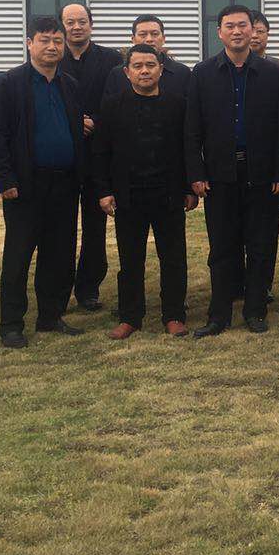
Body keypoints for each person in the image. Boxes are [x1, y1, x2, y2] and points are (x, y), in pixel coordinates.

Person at [185, 5, 279, 338]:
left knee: (261, 246)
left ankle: (255, 311)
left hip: (262, 174)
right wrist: (196, 173)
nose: (237, 31)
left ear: (253, 30)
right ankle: (218, 316)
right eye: (229, 26)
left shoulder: (273, 73)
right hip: (220, 174)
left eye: (243, 25)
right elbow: (192, 129)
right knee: (222, 248)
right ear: (219, 32)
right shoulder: (202, 73)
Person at [0, 15, 88, 348]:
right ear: (30, 43)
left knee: (58, 254)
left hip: (65, 184)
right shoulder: (9, 84)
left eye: (57, 41)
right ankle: (11, 324)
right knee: (18, 256)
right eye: (44, 40)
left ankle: (50, 316)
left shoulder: (69, 84)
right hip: (25, 185)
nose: (52, 46)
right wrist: (4, 179)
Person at [93, 44, 195, 339]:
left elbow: (188, 148)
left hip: (169, 194)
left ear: (161, 69)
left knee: (173, 258)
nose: (144, 71)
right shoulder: (112, 106)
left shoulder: (178, 104)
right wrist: (104, 190)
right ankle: (130, 317)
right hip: (128, 195)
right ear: (127, 72)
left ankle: (174, 315)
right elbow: (100, 152)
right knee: (130, 260)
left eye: (150, 65)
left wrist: (189, 187)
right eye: (137, 66)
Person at [58, 2, 123, 313]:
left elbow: (117, 98)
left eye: (81, 21)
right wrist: (73, 123)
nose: (76, 27)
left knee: (95, 226)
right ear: (63, 27)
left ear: (91, 25)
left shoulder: (111, 59)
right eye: (70, 22)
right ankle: (59, 287)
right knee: (61, 226)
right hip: (64, 154)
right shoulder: (53, 57)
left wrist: (95, 120)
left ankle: (89, 288)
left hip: (99, 151)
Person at [102, 14, 190, 98]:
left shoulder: (182, 73)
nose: (149, 39)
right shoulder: (118, 74)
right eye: (143, 35)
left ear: (163, 39)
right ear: (133, 39)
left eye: (154, 34)